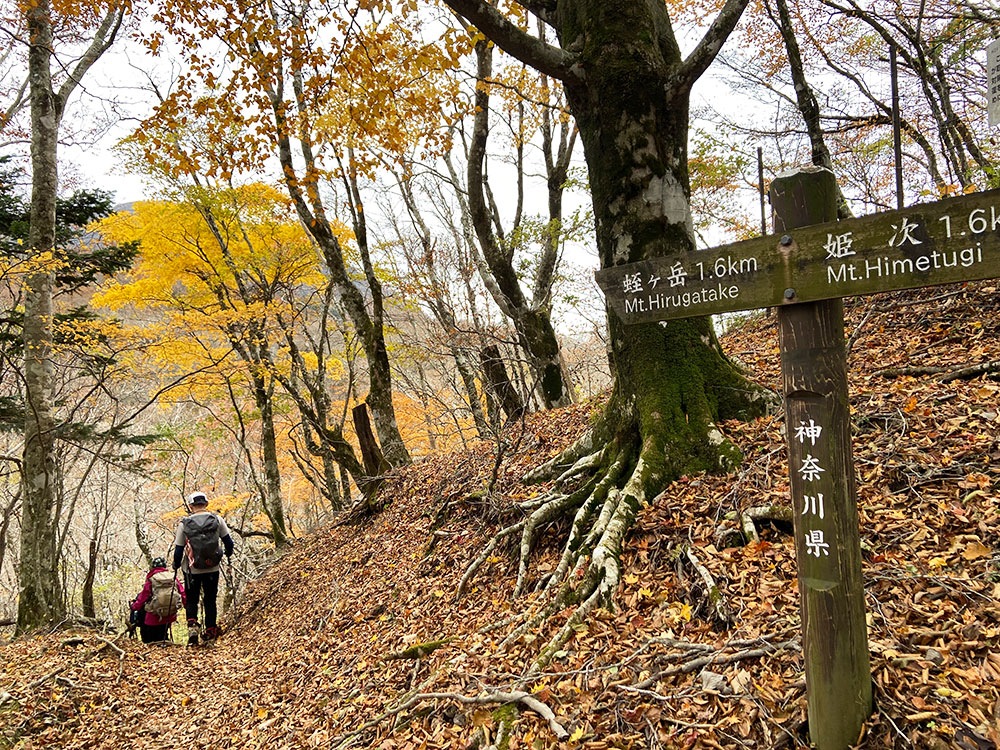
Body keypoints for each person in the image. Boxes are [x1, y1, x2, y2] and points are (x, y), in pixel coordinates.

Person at [173, 491, 234, 645]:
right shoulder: (217, 520)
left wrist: (175, 564)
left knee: (192, 599)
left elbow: (179, 550)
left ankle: (193, 626)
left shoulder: (184, 524)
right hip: (212, 568)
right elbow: (229, 543)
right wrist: (228, 553)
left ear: (191, 506)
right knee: (210, 599)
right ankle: (210, 630)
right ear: (206, 504)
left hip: (191, 570)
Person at [130, 557, 185, 643]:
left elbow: (143, 596)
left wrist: (134, 607)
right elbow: (182, 592)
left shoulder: (152, 579)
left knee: (149, 639)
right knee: (163, 635)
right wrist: (187, 606)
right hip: (169, 615)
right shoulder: (172, 577)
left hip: (153, 617)